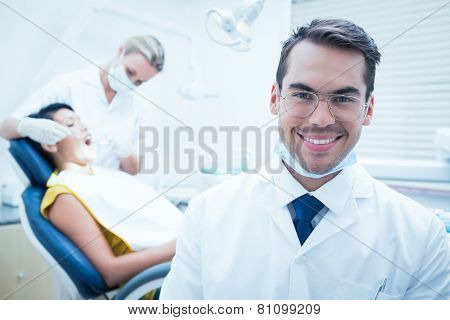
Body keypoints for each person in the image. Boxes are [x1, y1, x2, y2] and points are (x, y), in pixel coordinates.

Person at [160, 19, 450, 299]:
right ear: (275, 99)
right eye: (302, 94)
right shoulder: (207, 215)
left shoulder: (422, 237)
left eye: (343, 98)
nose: (321, 119)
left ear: (368, 109)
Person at [28, 103, 181, 293]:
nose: (84, 127)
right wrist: (182, 245)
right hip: (160, 281)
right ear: (50, 143)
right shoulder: (63, 196)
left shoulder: (103, 176)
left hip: (182, 262)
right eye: (71, 124)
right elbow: (111, 272)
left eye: (81, 121)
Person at [0, 35, 165, 175]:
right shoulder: (68, 85)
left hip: (110, 188)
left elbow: (134, 169)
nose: (131, 82)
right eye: (130, 72)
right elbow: (5, 128)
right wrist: (29, 126)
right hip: (74, 188)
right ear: (120, 51)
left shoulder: (140, 105)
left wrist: (126, 151)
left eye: (139, 82)